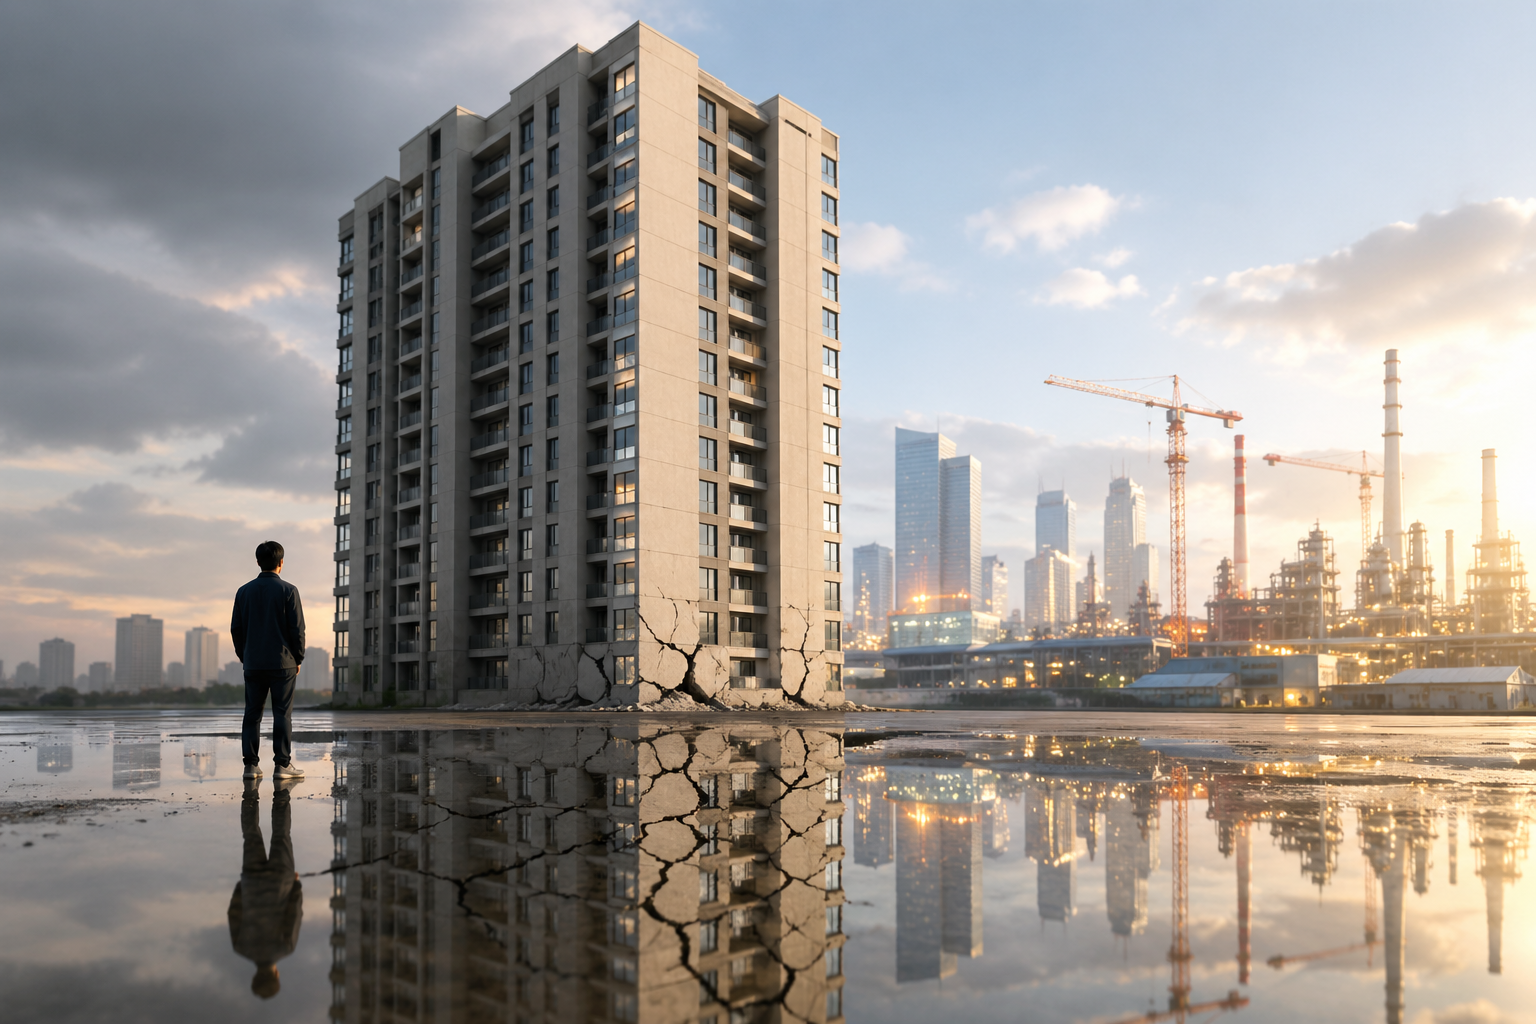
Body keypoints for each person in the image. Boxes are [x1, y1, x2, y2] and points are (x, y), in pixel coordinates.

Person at [231, 540, 306, 780]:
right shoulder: (289, 591)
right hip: (283, 663)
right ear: (281, 563)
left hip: (253, 663)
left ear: (257, 562)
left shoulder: (243, 592)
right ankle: (282, 765)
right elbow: (297, 629)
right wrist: (298, 657)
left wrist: (246, 656)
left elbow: (236, 629)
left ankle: (251, 766)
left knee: (252, 714)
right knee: (282, 713)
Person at [228, 779, 303, 998]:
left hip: (281, 878)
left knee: (282, 836)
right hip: (251, 881)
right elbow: (233, 912)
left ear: (275, 975)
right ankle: (250, 797)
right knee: (250, 834)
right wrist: (242, 886)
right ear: (255, 977)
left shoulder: (285, 948)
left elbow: (294, 912)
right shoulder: (240, 947)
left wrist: (296, 884)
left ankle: (281, 796)